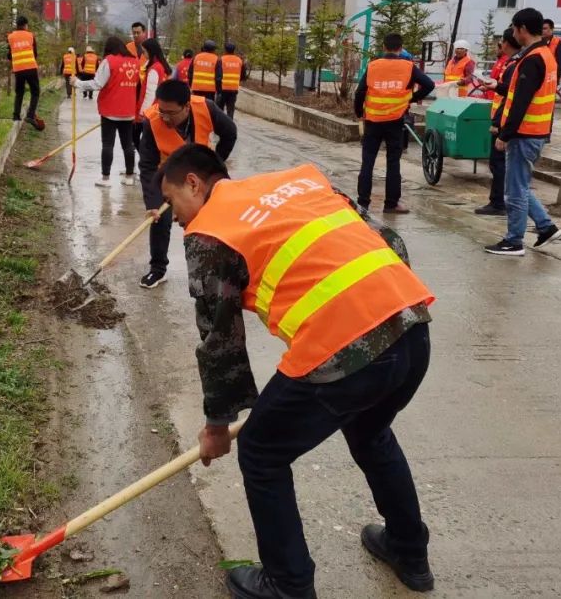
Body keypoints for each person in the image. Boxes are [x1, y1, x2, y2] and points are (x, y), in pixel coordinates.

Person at [160, 144, 435, 599]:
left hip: (347, 350)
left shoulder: (210, 232)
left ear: (193, 182)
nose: (174, 217)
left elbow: (220, 341)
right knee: (370, 431)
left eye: (172, 203)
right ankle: (410, 551)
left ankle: (287, 584)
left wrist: (216, 426)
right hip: (410, 325)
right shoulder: (298, 180)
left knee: (261, 452)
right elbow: (391, 241)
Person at [138, 80, 236, 289]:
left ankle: (219, 268)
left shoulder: (206, 107)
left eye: (170, 113)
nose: (164, 117)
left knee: (214, 218)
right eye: (161, 110)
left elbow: (230, 132)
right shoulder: (152, 121)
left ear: (186, 106)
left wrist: (215, 162)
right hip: (171, 177)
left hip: (203, 175)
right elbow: (147, 165)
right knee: (160, 219)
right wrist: (153, 202)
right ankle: (158, 269)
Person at [485, 8, 561, 256]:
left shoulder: (531, 59)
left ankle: (514, 241)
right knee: (520, 184)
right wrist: (499, 86)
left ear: (521, 29)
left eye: (514, 28)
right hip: (537, 131)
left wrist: (504, 135)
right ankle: (546, 227)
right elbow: (523, 91)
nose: (513, 34)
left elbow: (521, 101)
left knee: (515, 190)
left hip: (525, 133)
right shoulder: (545, 55)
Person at [353, 33, 435, 215]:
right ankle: (391, 204)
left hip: (373, 121)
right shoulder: (408, 67)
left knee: (368, 161)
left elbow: (360, 92)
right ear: (400, 48)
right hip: (395, 121)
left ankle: (363, 203)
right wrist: (412, 98)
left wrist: (359, 113)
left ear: (384, 46)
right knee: (393, 162)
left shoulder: (373, 66)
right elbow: (429, 85)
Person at [73, 36, 139, 186]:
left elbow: (97, 83)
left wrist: (77, 83)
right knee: (128, 145)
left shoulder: (109, 61)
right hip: (128, 110)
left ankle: (106, 178)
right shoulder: (134, 62)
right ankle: (129, 176)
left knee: (108, 144)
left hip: (110, 110)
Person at [474, 29, 523, 216]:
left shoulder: (515, 65)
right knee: (501, 165)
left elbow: (512, 99)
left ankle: (499, 203)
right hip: (503, 118)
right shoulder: (511, 63)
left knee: (499, 164)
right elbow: (508, 91)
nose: (500, 44)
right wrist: (496, 86)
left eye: (501, 41)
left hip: (504, 121)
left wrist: (497, 124)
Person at [7, 15, 44, 129]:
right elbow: (35, 53)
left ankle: (16, 116)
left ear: (17, 25)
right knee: (35, 92)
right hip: (30, 67)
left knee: (19, 92)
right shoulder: (30, 35)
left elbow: (9, 55)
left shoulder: (10, 37)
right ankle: (30, 115)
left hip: (18, 69)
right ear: (25, 25)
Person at [137, 38, 171, 119]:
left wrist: (143, 112)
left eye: (144, 51)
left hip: (152, 111)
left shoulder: (154, 69)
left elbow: (150, 94)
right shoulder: (161, 66)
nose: (143, 54)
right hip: (160, 108)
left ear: (150, 51)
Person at [218, 43, 247, 118]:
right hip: (233, 89)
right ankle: (229, 126)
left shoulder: (221, 60)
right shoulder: (239, 61)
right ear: (234, 50)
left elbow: (217, 74)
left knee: (219, 109)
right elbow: (243, 76)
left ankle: (220, 127)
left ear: (225, 50)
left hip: (222, 88)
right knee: (230, 110)